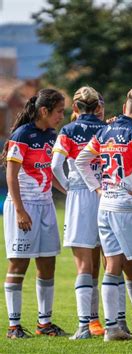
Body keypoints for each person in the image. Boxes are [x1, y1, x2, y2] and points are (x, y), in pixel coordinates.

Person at [76, 86, 132, 342]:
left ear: (125, 107)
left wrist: (97, 189)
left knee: (112, 265)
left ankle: (111, 328)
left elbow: (81, 161)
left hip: (106, 205)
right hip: (130, 207)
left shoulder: (104, 131)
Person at [2, 89, 66, 338]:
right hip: (24, 206)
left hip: (46, 205)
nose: (62, 115)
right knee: (18, 263)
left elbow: (49, 172)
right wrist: (19, 210)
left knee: (47, 262)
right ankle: (13, 326)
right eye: (59, 111)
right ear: (44, 111)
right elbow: (11, 175)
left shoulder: (51, 135)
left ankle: (44, 323)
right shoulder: (22, 135)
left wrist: (70, 192)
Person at [52, 86, 107, 339]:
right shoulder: (107, 129)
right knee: (112, 262)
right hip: (106, 194)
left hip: (80, 195)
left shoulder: (68, 130)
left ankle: (85, 325)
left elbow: (55, 166)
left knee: (84, 265)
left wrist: (68, 188)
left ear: (75, 108)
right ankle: (116, 323)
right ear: (98, 107)